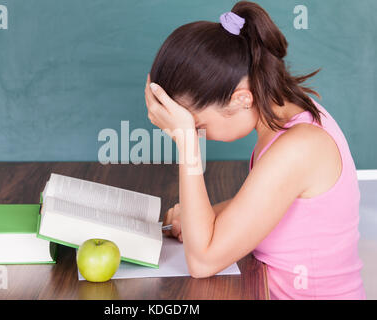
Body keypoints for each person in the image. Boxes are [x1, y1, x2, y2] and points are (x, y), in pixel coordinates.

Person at [144, 1, 366, 299]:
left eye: (197, 125)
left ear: (241, 99)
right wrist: (202, 219)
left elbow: (203, 261)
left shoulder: (299, 147)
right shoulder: (290, 122)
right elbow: (262, 206)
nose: (199, 135)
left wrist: (187, 145)